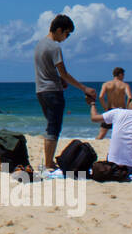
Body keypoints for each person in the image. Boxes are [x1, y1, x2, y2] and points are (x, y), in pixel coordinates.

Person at [34, 14, 97, 170]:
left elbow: (48, 70)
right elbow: (64, 73)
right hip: (52, 91)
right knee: (54, 128)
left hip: (40, 90)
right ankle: (48, 163)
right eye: (67, 34)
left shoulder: (40, 44)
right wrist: (84, 88)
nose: (66, 37)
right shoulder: (54, 47)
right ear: (59, 30)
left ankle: (48, 161)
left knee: (51, 125)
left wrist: (60, 79)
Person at [89, 90, 132, 174]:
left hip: (112, 164)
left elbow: (94, 118)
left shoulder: (118, 112)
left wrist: (92, 104)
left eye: (131, 100)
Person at [96, 67, 132, 139]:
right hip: (121, 111)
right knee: (123, 134)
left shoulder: (106, 84)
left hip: (110, 110)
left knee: (101, 135)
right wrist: (127, 109)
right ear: (120, 75)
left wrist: (105, 108)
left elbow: (100, 97)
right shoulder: (125, 85)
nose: (123, 77)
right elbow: (130, 97)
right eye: (123, 75)